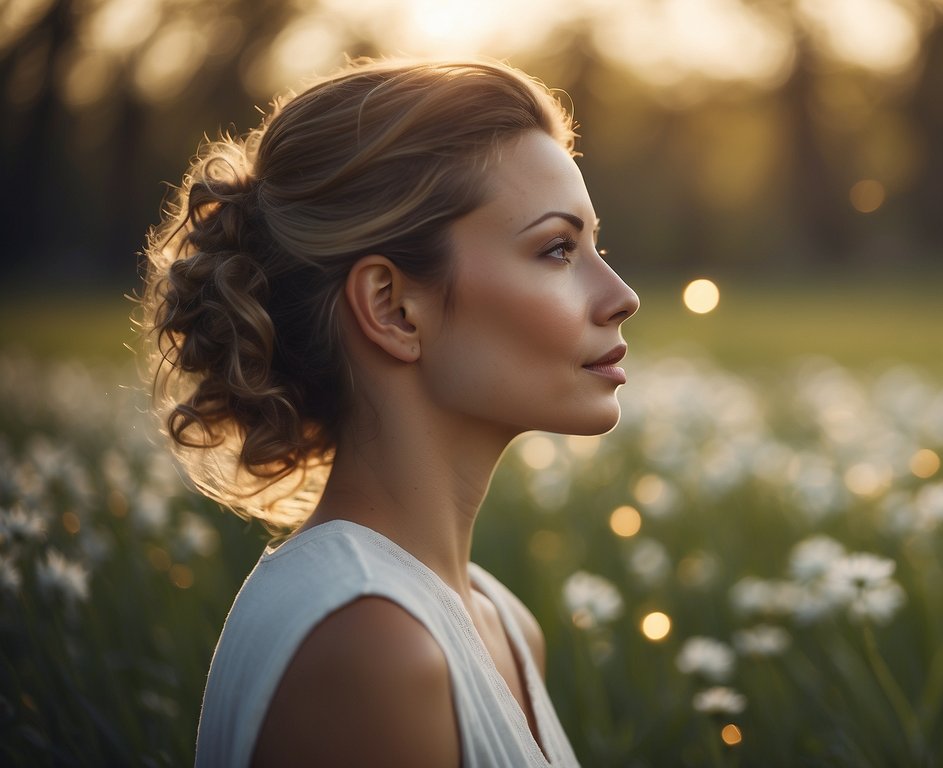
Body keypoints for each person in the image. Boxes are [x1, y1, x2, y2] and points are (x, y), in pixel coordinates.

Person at [138, 58, 638, 767]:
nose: (620, 294)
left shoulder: (502, 624)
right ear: (392, 308)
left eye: (596, 244)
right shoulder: (370, 643)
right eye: (557, 248)